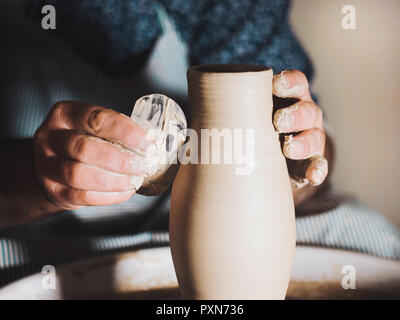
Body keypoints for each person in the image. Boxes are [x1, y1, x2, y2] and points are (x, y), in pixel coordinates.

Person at [0, 0, 398, 288]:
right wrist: (33, 177)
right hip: (40, 234)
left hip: (186, 224)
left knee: (371, 238)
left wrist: (298, 164)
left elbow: (317, 163)